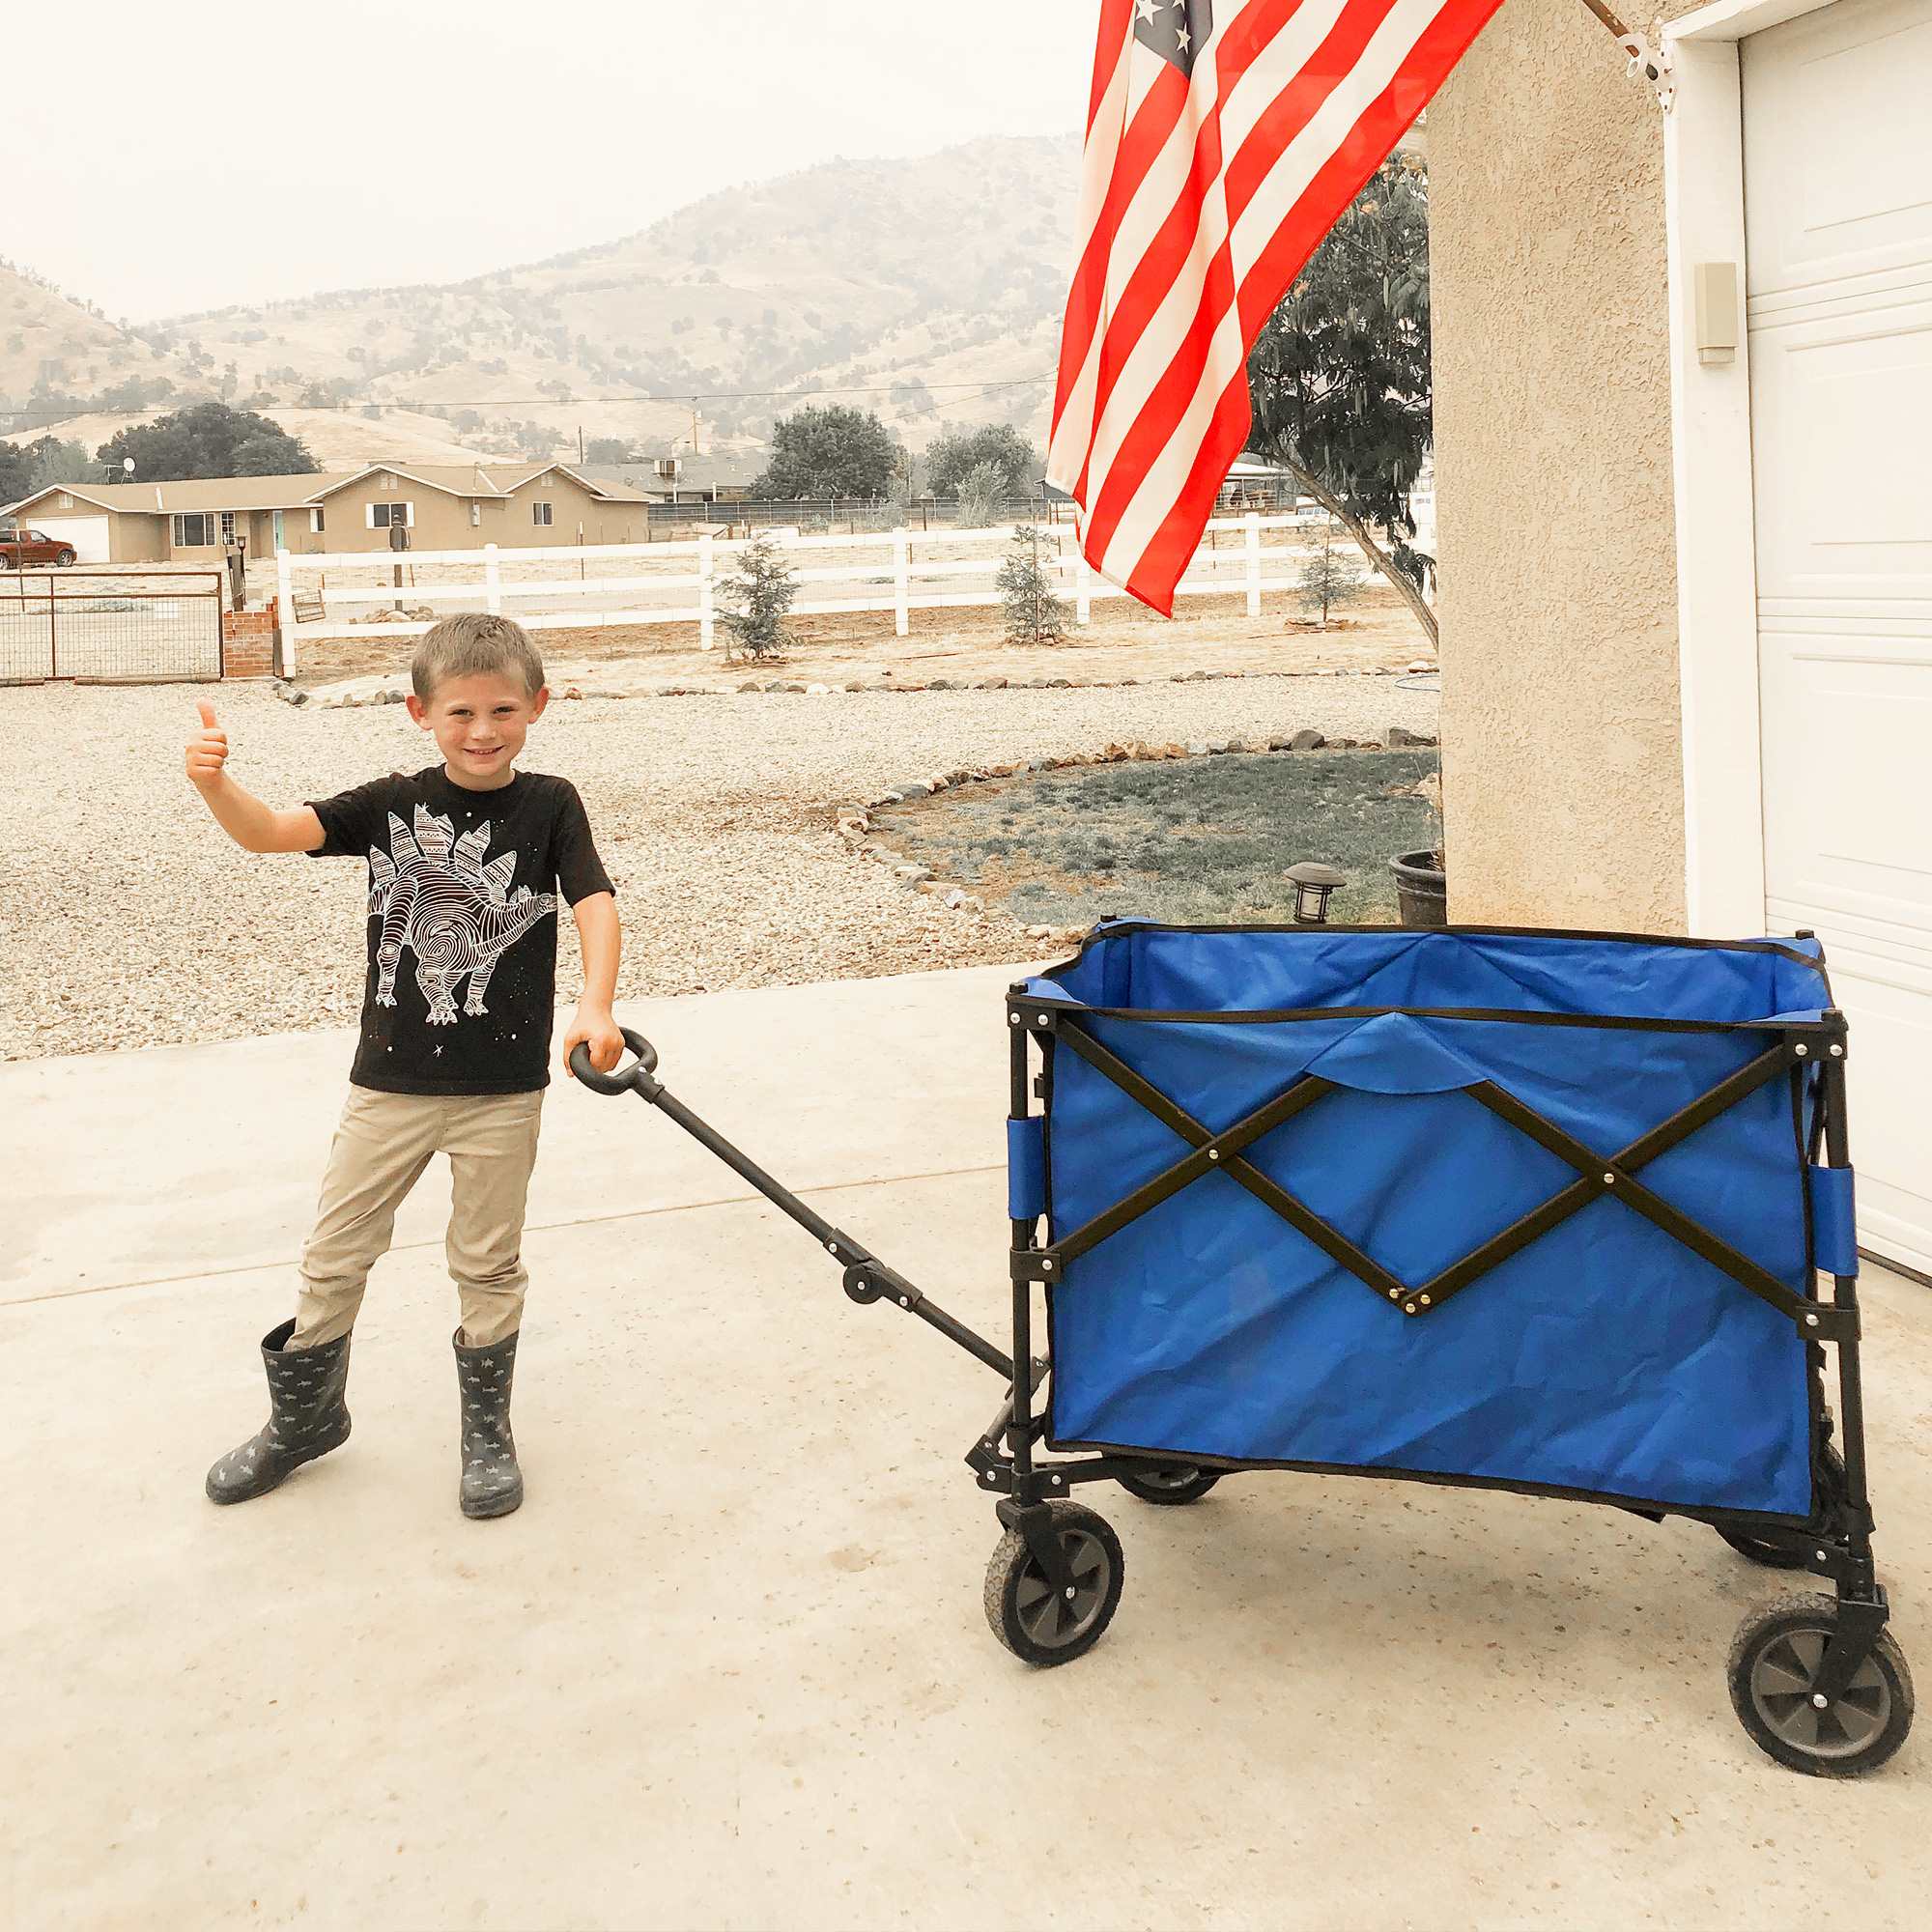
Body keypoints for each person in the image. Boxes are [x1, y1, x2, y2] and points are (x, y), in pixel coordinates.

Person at [185, 612, 624, 1519]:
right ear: (421, 711)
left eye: (504, 708)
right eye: (461, 711)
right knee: (335, 1254)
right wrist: (215, 784)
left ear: (538, 705)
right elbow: (268, 832)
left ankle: (488, 1433)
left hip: (503, 1092)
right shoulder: (391, 805)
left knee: (488, 1264)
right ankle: (305, 1420)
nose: (483, 730)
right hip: (388, 1085)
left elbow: (593, 900)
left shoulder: (551, 804)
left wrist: (596, 1002)